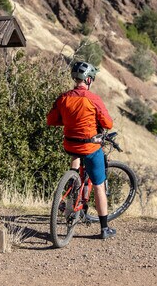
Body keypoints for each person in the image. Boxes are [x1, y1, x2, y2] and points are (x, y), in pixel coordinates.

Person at [46, 61, 116, 239]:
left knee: (76, 157)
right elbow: (108, 123)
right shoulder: (93, 99)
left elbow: (51, 120)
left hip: (70, 144)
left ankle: (72, 184)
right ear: (89, 80)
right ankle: (104, 228)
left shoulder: (63, 98)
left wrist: (70, 121)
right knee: (99, 186)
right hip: (90, 146)